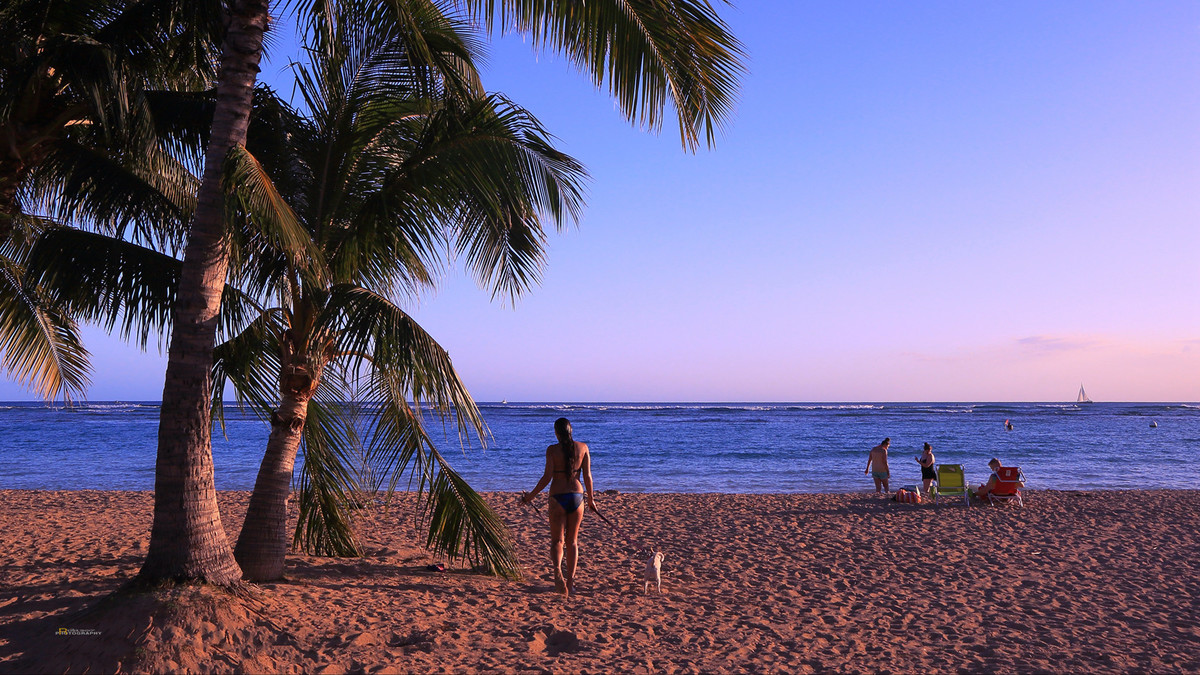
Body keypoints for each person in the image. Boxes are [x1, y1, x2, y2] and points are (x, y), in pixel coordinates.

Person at [521, 417, 596, 597]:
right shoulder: (583, 448)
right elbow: (587, 476)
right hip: (577, 497)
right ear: (571, 431)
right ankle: (570, 583)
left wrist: (530, 496)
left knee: (557, 541)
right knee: (572, 542)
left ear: (556, 433)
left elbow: (547, 477)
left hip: (557, 496)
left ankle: (557, 571)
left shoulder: (552, 450)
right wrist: (591, 500)